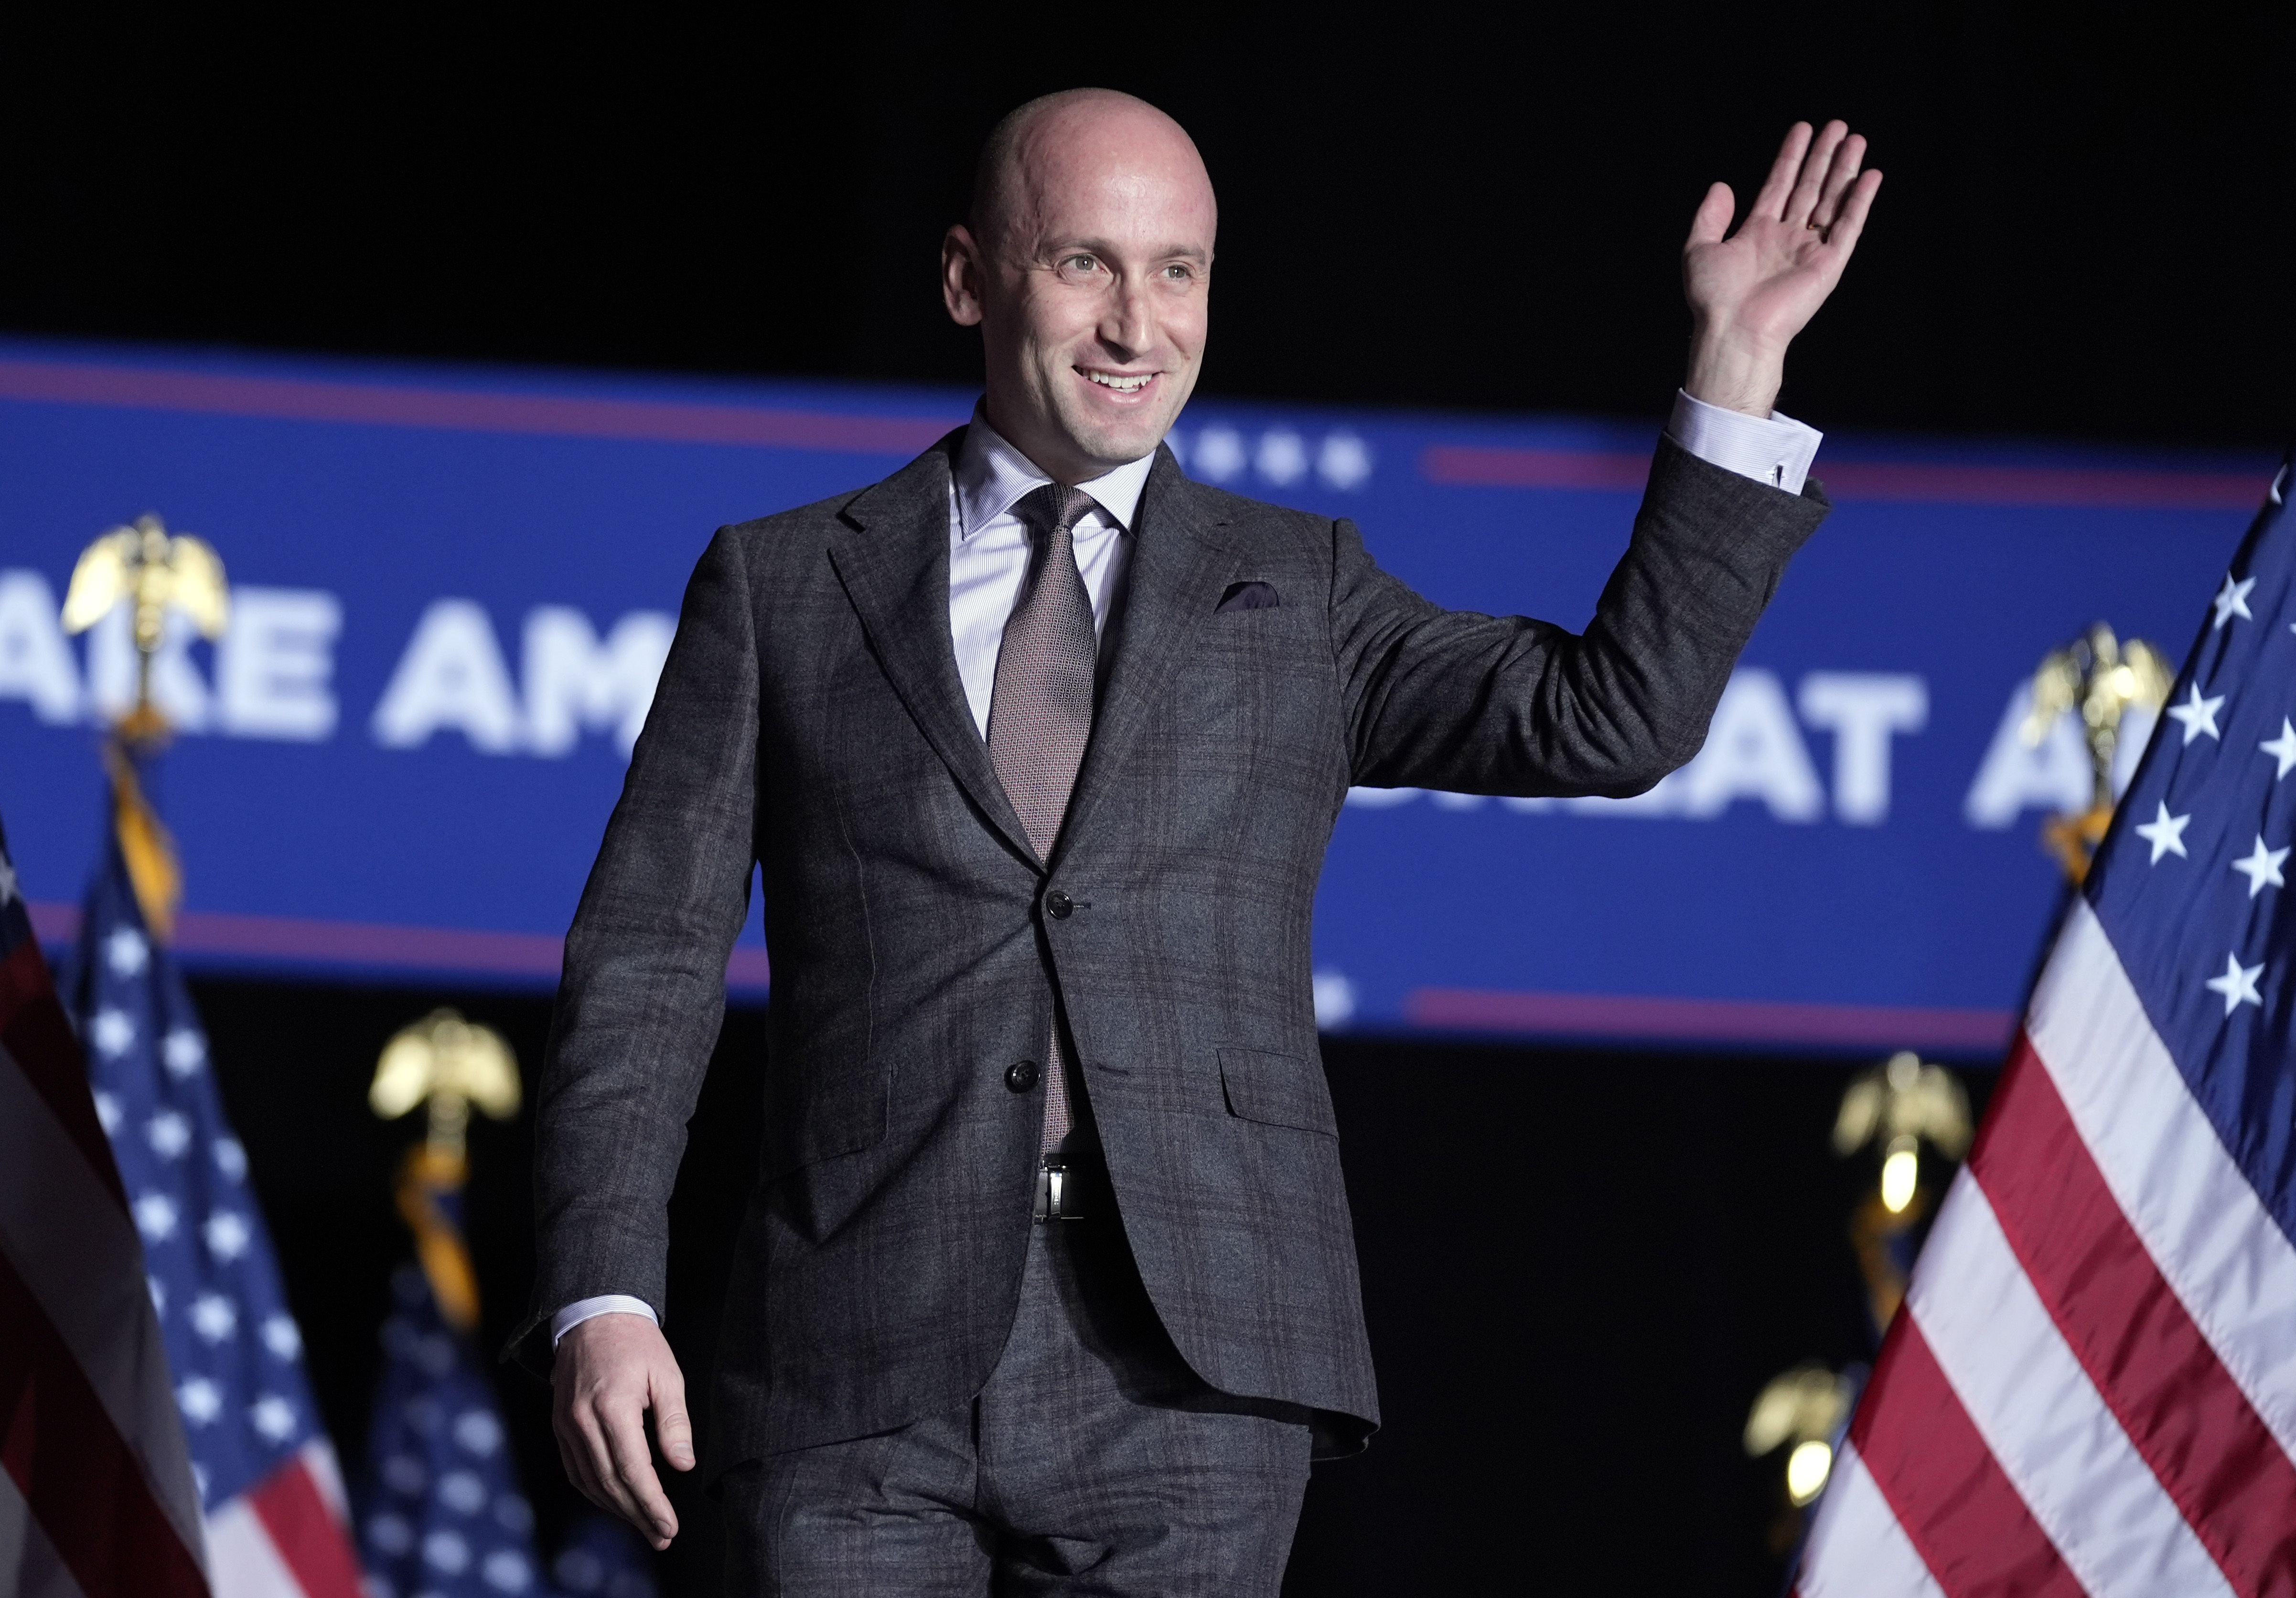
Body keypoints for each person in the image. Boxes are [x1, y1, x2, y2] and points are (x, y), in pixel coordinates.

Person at [521, 87, 1878, 1595]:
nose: (1135, 323)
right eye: (1084, 263)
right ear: (970, 277)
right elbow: (646, 960)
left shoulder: (1299, 592)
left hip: (1192, 1379)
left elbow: (1608, 717)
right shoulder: (782, 587)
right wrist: (603, 1292)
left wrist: (1735, 372)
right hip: (857, 1363)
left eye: (1177, 270)